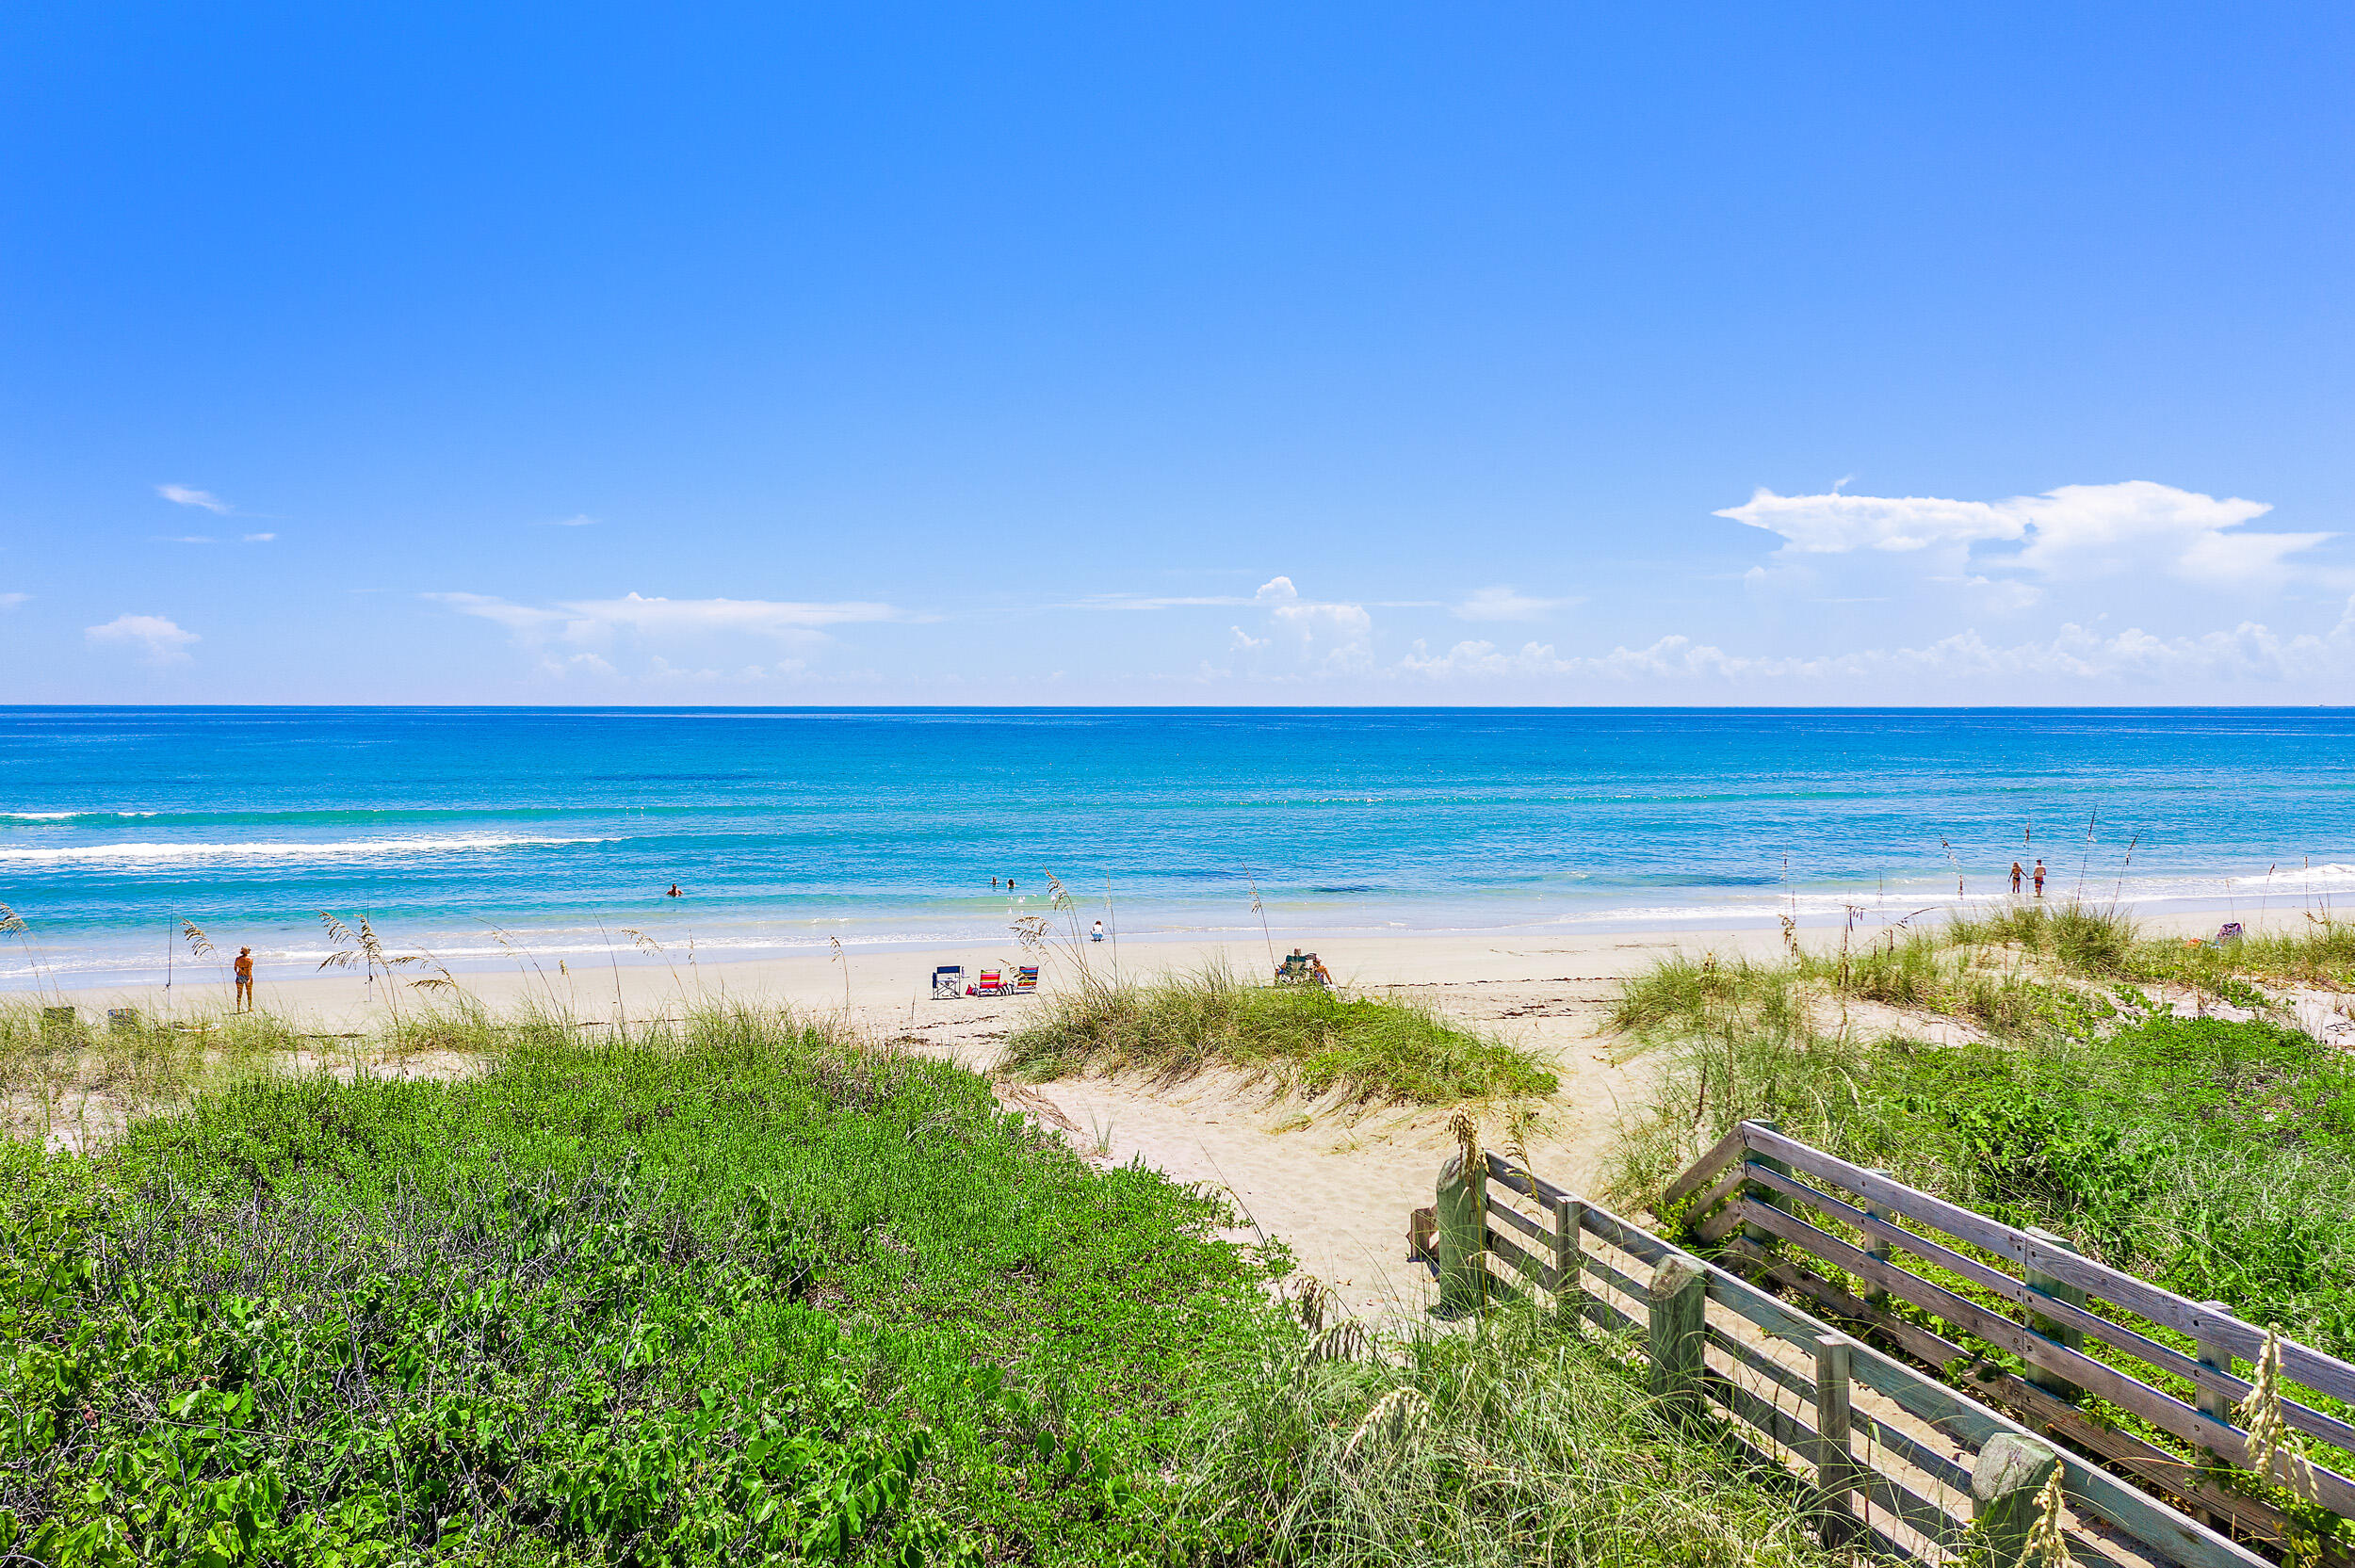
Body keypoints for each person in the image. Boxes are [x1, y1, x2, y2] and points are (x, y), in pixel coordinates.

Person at [233, 946, 254, 1011]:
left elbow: (235, 968)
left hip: (240, 976)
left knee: (239, 993)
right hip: (247, 976)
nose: (250, 950)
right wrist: (249, 979)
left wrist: (238, 973)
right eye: (249, 949)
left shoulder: (238, 959)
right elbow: (250, 970)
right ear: (246, 951)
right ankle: (249, 1007)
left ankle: (238, 1008)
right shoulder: (250, 959)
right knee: (249, 993)